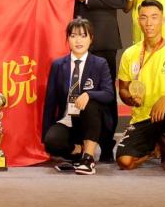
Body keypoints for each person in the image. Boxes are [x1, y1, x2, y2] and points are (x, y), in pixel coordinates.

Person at [64, 0, 129, 162]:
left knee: (105, 95)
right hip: (78, 44)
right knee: (78, 92)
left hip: (103, 42)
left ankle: (107, 143)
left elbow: (121, 0)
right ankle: (81, 143)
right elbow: (65, 2)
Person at [115, 0, 165, 174]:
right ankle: (153, 149)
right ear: (138, 21)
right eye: (144, 17)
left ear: (163, 20)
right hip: (142, 118)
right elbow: (123, 89)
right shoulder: (129, 54)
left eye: (154, 17)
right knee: (124, 162)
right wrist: (129, 98)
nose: (149, 23)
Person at [41, 18, 114, 175]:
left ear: (91, 39)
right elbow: (50, 102)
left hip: (91, 121)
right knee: (52, 142)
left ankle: (88, 158)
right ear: (67, 39)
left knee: (91, 103)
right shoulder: (58, 65)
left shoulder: (100, 63)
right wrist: (45, 134)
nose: (78, 40)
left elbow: (109, 94)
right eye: (73, 36)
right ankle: (78, 150)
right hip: (68, 120)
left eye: (83, 36)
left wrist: (88, 94)